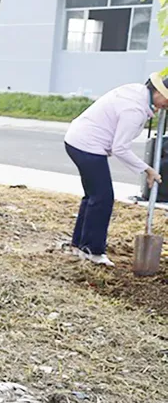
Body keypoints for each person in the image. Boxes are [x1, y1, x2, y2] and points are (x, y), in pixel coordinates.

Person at [63, 73, 168, 266]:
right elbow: (120, 148)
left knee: (93, 196)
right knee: (103, 197)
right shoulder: (135, 109)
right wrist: (148, 170)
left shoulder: (138, 92)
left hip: (77, 139)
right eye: (167, 100)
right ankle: (93, 251)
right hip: (87, 145)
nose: (167, 105)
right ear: (158, 92)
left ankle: (79, 245)